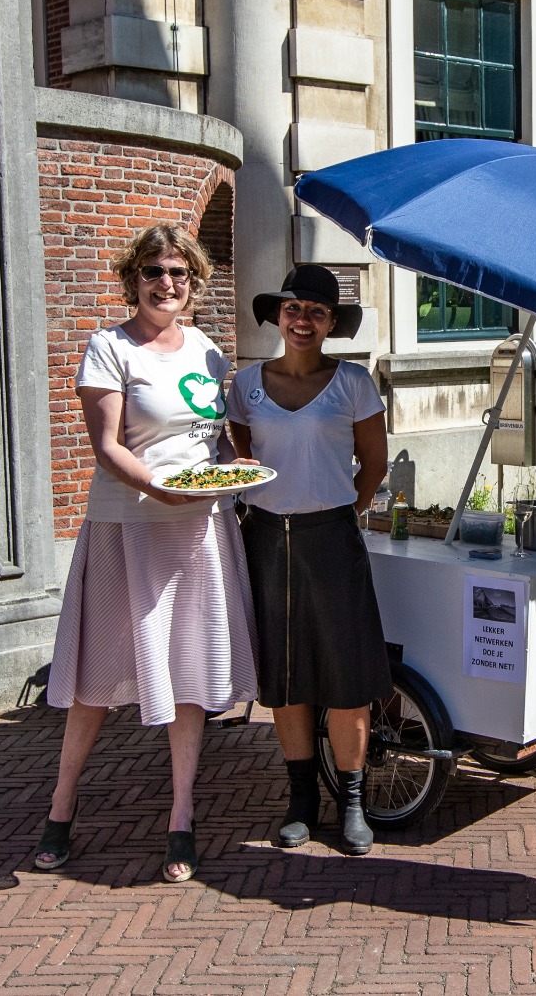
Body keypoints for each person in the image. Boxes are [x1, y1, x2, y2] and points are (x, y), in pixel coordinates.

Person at [34, 224, 259, 883]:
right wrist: (159, 488)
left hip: (200, 527)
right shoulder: (109, 348)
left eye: (179, 273)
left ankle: (181, 815)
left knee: (190, 667)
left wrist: (235, 468)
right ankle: (61, 804)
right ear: (133, 278)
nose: (167, 283)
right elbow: (107, 446)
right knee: (97, 673)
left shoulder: (210, 352)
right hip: (128, 527)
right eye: (154, 271)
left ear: (194, 283)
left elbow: (213, 442)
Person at [226, 264, 392, 855]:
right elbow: (242, 457)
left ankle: (352, 801)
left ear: (330, 323)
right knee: (286, 673)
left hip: (332, 539)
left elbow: (374, 463)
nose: (303, 320)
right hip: (267, 538)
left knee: (347, 675)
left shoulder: (353, 382)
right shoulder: (246, 384)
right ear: (278, 315)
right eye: (293, 308)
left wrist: (339, 509)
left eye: (317, 312)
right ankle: (301, 799)